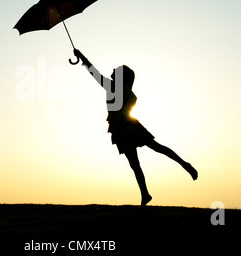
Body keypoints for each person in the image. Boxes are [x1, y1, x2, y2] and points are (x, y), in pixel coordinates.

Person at [73, 49, 198, 206]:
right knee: (146, 155)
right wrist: (81, 57)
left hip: (124, 128)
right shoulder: (120, 88)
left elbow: (94, 73)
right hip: (127, 126)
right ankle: (150, 190)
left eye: (116, 70)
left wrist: (81, 57)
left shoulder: (113, 86)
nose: (112, 70)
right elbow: (96, 74)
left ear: (121, 76)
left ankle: (149, 190)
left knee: (141, 159)